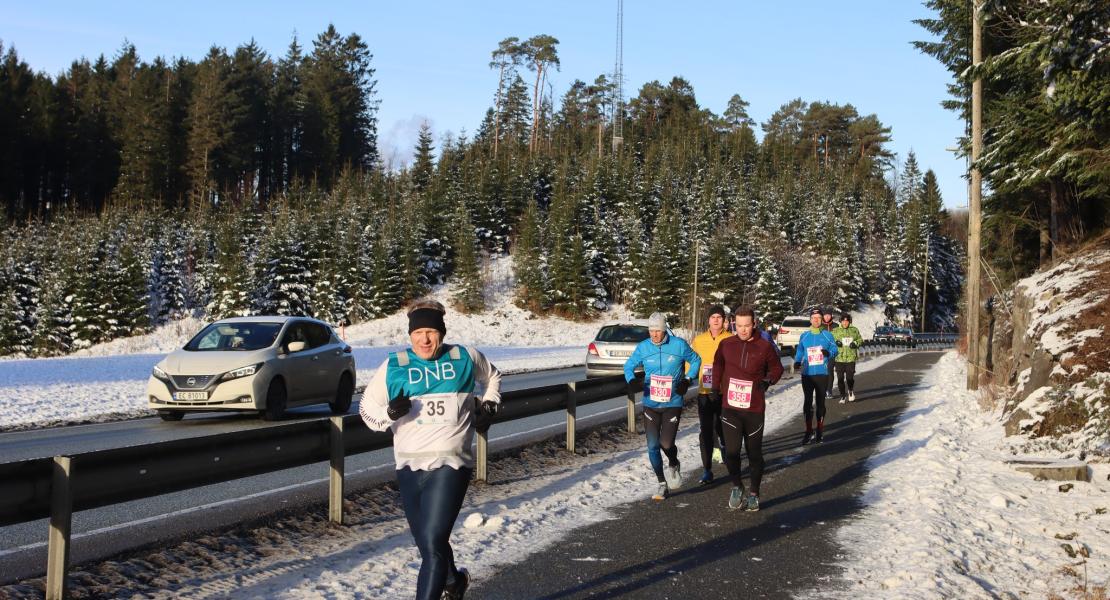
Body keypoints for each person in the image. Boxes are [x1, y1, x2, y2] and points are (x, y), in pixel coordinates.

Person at [360, 299, 502, 600]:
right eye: (418, 333)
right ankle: (454, 582)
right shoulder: (395, 365)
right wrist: (389, 413)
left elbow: (492, 377)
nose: (424, 339)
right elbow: (366, 410)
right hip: (408, 467)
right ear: (410, 335)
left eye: (431, 332)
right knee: (428, 545)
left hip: (451, 464)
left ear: (442, 332)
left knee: (434, 543)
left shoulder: (464, 357)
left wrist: (490, 404)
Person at [711, 305, 783, 511]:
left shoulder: (764, 346)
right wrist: (715, 388)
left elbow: (777, 368)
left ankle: (754, 493)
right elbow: (718, 365)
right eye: (739, 325)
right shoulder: (726, 344)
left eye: (747, 326)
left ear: (754, 324)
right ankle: (737, 486)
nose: (743, 330)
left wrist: (768, 380)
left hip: (754, 409)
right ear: (734, 324)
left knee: (754, 454)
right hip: (731, 408)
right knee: (732, 453)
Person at [624, 312, 701, 501]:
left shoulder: (678, 345)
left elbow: (696, 360)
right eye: (651, 331)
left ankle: (673, 462)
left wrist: (688, 379)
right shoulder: (643, 347)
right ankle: (661, 483)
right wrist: (631, 380)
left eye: (657, 331)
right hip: (650, 403)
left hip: (672, 402)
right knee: (652, 446)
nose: (654, 334)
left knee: (666, 443)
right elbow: (628, 366)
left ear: (664, 330)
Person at [690, 305, 732, 485]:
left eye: (719, 317)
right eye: (713, 317)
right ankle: (707, 469)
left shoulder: (731, 339)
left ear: (724, 320)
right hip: (705, 392)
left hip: (724, 392)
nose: (716, 320)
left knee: (722, 427)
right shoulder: (699, 340)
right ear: (708, 320)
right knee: (706, 431)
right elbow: (691, 362)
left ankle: (725, 447)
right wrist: (686, 377)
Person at [793, 308, 838, 444]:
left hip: (821, 374)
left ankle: (819, 430)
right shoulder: (804, 335)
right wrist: (797, 361)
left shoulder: (827, 335)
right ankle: (808, 431)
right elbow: (800, 350)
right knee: (807, 403)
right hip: (807, 374)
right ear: (810, 320)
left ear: (822, 319)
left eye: (818, 317)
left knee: (820, 403)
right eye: (814, 318)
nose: (816, 320)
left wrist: (828, 353)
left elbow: (835, 349)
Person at [831, 312, 864, 403]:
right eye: (843, 321)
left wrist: (855, 343)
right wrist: (836, 342)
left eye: (847, 321)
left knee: (850, 378)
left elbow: (860, 340)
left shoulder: (854, 330)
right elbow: (830, 341)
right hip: (839, 358)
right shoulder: (835, 331)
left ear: (849, 321)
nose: (845, 323)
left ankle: (850, 390)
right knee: (840, 378)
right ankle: (842, 396)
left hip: (850, 358)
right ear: (840, 321)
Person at [820, 307, 837, 399]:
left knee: (829, 370)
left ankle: (829, 390)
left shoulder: (836, 326)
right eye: (825, 315)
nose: (827, 317)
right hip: (821, 352)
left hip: (832, 352)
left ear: (831, 316)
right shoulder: (819, 326)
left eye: (828, 315)